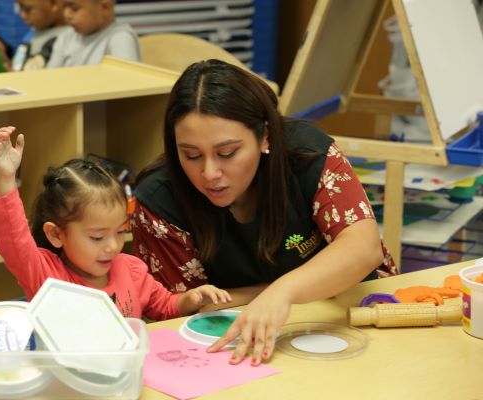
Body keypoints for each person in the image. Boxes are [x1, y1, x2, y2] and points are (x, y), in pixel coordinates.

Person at [131, 59, 398, 365]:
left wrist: (283, 292)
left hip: (356, 312)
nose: (209, 173)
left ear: (265, 136)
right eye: (191, 155)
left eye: (227, 153)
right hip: (240, 346)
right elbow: (191, 311)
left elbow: (364, 249)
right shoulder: (159, 202)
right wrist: (277, 294)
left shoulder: (309, 154)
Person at [0, 126, 231, 321]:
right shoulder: (46, 275)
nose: (113, 246)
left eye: (120, 232)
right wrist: (7, 177)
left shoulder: (131, 271)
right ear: (56, 234)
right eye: (97, 237)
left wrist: (190, 299)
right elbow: (13, 240)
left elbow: (164, 308)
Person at [46, 0, 140, 68]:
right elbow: (51, 77)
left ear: (105, 7)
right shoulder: (65, 37)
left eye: (74, 8)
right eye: (64, 7)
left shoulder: (120, 38)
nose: (66, 14)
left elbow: (127, 84)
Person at [10, 0, 68, 71]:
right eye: (19, 8)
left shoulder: (67, 39)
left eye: (27, 9)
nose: (22, 15)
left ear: (53, 3)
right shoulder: (30, 35)